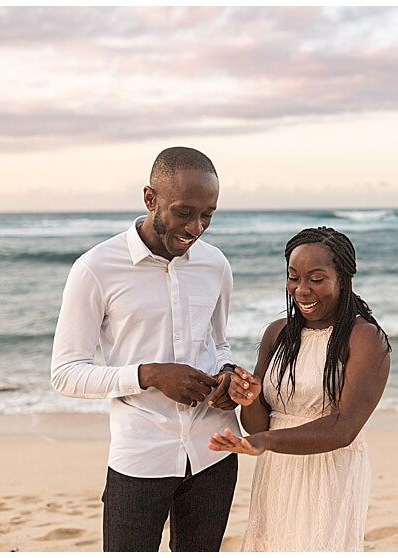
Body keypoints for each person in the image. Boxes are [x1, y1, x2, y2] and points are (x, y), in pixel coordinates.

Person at [51, 146, 251, 551]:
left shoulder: (215, 265)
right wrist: (150, 375)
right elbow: (66, 373)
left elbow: (218, 342)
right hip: (140, 456)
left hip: (214, 452)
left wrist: (228, 375)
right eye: (184, 212)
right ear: (150, 199)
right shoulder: (94, 269)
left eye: (208, 214)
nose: (196, 227)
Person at [209, 226, 392, 551]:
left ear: (343, 278)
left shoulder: (364, 338)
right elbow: (259, 425)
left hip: (329, 470)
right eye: (294, 277)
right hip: (277, 470)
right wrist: (250, 401)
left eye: (316, 279)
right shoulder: (277, 333)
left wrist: (266, 440)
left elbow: (344, 427)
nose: (302, 290)